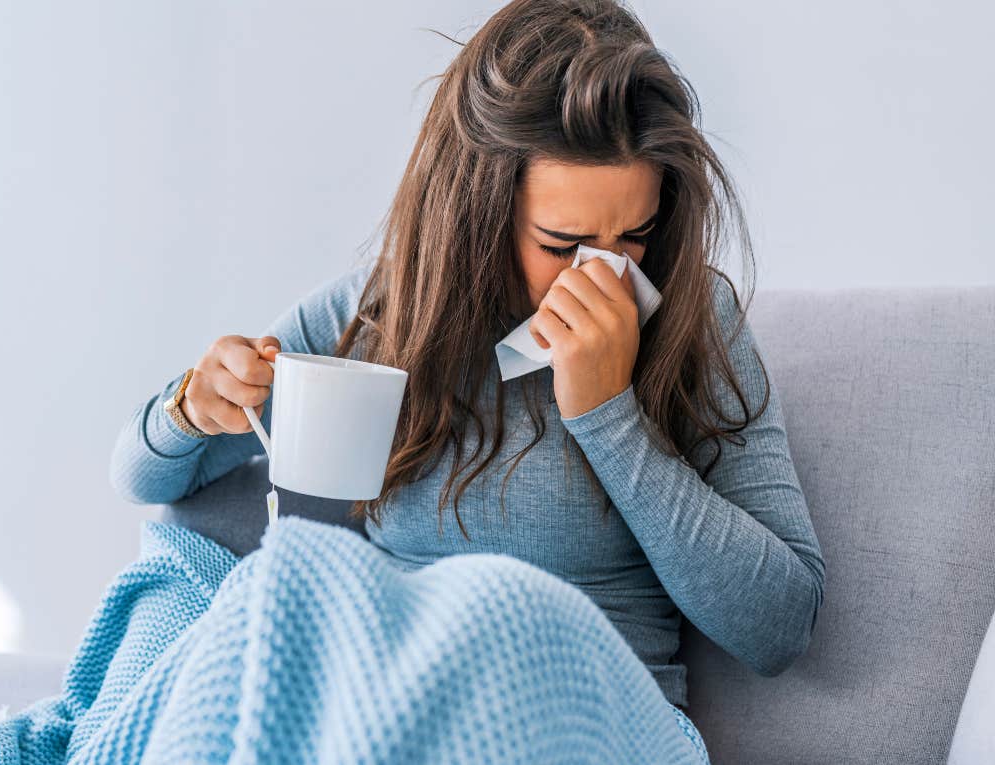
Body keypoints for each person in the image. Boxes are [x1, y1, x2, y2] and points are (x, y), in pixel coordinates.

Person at [110, 0, 825, 757]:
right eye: (563, 243)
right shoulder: (380, 316)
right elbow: (141, 476)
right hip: (387, 708)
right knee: (224, 597)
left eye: (635, 236)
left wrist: (611, 416)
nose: (606, 275)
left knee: (493, 603)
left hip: (585, 718)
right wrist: (190, 408)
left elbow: (780, 624)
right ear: (479, 214)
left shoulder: (691, 317)